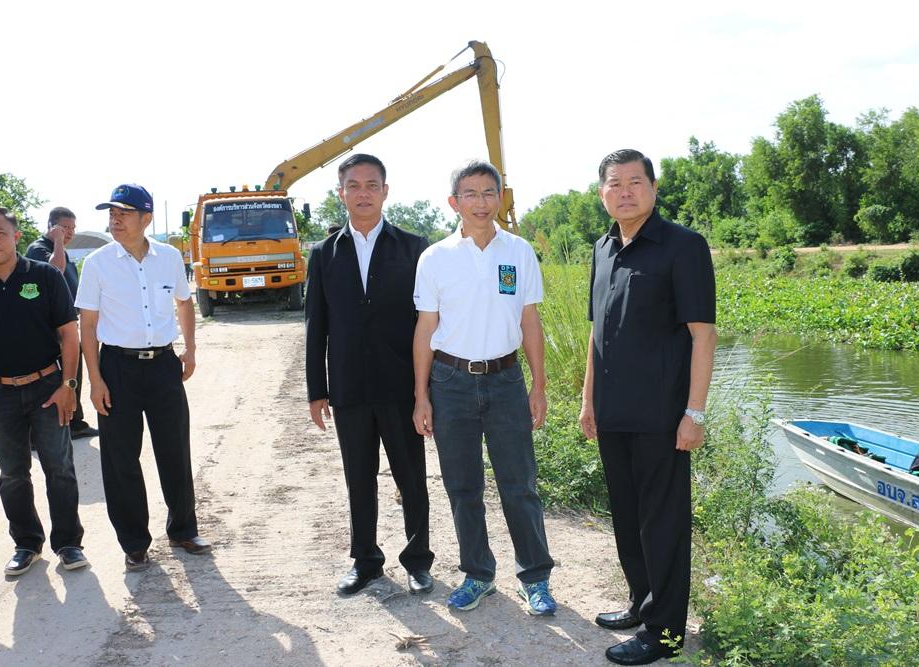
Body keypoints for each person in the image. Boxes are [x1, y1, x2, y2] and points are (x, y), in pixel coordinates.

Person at [579, 150, 716, 665]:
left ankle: (665, 634)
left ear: (654, 189)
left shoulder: (683, 246)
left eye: (636, 182)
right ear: (602, 194)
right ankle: (641, 602)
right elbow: (597, 333)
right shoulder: (603, 249)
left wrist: (694, 413)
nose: (625, 192)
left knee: (663, 524)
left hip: (662, 415)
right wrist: (588, 400)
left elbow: (703, 335)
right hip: (613, 412)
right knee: (627, 516)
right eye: (615, 183)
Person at [412, 160, 557, 615]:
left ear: (500, 198)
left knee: (520, 484)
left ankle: (535, 578)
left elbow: (529, 321)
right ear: (454, 202)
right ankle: (478, 574)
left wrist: (538, 385)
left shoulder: (519, 251)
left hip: (506, 380)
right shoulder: (435, 258)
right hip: (450, 382)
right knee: (463, 487)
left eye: (488, 192)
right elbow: (425, 329)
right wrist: (421, 396)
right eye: (470, 194)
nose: (480, 202)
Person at [305, 154, 434, 596]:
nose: (363, 193)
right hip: (349, 386)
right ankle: (365, 561)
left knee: (411, 478)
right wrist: (317, 390)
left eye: (372, 185)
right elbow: (315, 326)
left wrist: (425, 390)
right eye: (354, 185)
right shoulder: (324, 254)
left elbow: (428, 322)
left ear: (385, 191)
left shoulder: (414, 248)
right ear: (341, 193)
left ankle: (418, 561)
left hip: (401, 385)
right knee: (359, 478)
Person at [0, 205, 87, 575]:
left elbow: (69, 334)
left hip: (48, 388)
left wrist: (69, 386)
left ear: (16, 236)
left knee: (59, 468)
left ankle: (69, 544)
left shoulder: (45, 276)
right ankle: (26, 544)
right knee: (12, 473)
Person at [76, 184, 210, 571]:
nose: (115, 220)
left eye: (124, 213)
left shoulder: (169, 257)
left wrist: (190, 349)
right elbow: (88, 326)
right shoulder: (98, 263)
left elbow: (184, 302)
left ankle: (183, 529)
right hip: (117, 368)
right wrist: (96, 381)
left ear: (146, 217)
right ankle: (134, 542)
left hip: (164, 365)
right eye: (112, 214)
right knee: (121, 458)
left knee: (175, 450)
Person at [26, 207, 100, 439]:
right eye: (65, 228)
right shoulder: (38, 248)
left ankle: (75, 422)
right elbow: (54, 270)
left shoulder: (62, 252)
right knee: (58, 377)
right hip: (50, 328)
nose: (70, 233)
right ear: (51, 226)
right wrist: (57, 241)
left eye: (72, 228)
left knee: (73, 374)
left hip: (67, 323)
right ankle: (51, 429)